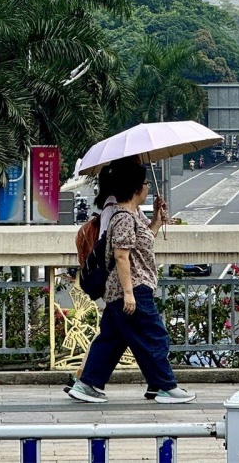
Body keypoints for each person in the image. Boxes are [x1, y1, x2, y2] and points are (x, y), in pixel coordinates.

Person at [67, 160, 196, 405]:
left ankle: (87, 384)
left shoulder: (130, 215)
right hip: (133, 287)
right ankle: (165, 386)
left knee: (112, 341)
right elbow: (121, 255)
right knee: (154, 336)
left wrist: (157, 220)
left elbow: (140, 245)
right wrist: (129, 293)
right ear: (136, 188)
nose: (148, 187)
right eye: (145, 183)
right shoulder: (123, 217)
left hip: (126, 288)